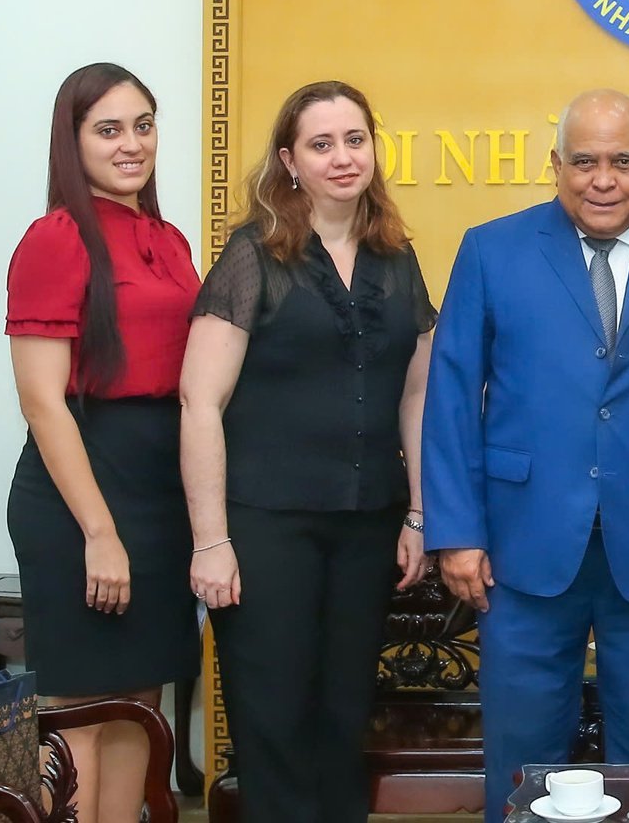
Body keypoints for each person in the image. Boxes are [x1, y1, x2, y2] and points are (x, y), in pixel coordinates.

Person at [421, 88, 629, 822]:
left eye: (621, 161)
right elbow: (450, 399)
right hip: (519, 547)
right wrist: (457, 531)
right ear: (556, 166)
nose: (602, 179)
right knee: (524, 765)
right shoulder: (491, 250)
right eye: (584, 161)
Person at [179, 81, 436, 823]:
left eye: (355, 139)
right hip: (265, 530)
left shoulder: (397, 257)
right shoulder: (254, 256)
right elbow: (200, 403)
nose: (342, 157)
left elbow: (417, 395)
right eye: (321, 144)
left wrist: (418, 513)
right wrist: (211, 541)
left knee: (343, 717)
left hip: (365, 528)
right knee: (275, 724)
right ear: (289, 161)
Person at [5, 62, 200, 823]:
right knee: (79, 709)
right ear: (72, 140)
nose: (131, 145)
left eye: (143, 126)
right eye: (109, 129)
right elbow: (40, 401)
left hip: (159, 489)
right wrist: (100, 532)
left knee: (137, 706)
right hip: (83, 489)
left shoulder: (168, 237)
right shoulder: (55, 239)